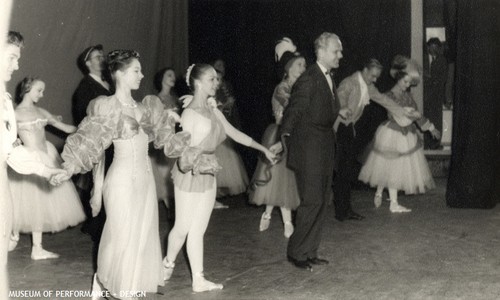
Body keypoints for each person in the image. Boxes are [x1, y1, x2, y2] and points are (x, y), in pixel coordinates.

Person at [52, 49, 187, 298]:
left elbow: (164, 140)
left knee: (141, 233)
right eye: (136, 70)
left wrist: (175, 121)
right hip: (121, 180)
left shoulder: (146, 107)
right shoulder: (106, 106)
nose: (142, 74)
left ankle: (129, 285)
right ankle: (106, 281)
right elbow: (89, 143)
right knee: (120, 235)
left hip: (145, 181)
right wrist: (69, 168)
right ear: (120, 74)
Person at [162, 63, 276, 292]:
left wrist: (263, 149)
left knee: (198, 230)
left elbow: (234, 133)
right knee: (182, 227)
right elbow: (182, 150)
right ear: (198, 83)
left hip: (209, 173)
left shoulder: (213, 109)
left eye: (216, 79)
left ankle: (198, 279)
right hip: (190, 175)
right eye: (212, 79)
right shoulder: (189, 114)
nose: (217, 83)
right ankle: (166, 265)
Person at [270, 32, 351, 271]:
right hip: (310, 149)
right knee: (312, 200)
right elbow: (293, 113)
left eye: (340, 51)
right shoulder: (309, 78)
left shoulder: (327, 77)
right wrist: (283, 141)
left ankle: (309, 251)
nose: (340, 55)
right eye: (336, 51)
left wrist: (339, 112)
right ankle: (297, 253)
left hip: (324, 144)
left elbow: (323, 108)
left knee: (322, 200)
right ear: (322, 52)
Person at [0, 30, 64, 299]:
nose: (17, 65)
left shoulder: (4, 100)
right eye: (12, 57)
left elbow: (10, 150)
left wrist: (46, 170)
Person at [8, 77, 85, 259]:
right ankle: (13, 235)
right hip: (29, 159)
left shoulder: (40, 111)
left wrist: (85, 128)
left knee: (39, 204)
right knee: (23, 203)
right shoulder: (14, 114)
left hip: (46, 156)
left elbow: (65, 128)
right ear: (27, 89)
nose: (42, 94)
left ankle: (37, 248)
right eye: (39, 90)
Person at [332, 59, 419, 221]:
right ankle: (341, 210)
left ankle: (344, 210)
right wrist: (342, 107)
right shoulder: (350, 82)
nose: (374, 80)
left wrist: (403, 112)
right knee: (342, 169)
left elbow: (384, 100)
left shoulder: (368, 87)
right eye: (373, 76)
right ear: (364, 70)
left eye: (377, 77)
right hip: (339, 128)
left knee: (345, 170)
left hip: (349, 128)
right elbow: (339, 97)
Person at [358, 57, 440, 213]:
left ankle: (380, 192)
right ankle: (393, 203)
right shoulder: (389, 95)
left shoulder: (408, 96)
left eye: (410, 83)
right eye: (405, 82)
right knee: (390, 166)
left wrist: (430, 127)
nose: (407, 85)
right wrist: (410, 114)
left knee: (388, 167)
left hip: (406, 132)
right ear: (399, 78)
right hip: (393, 133)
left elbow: (417, 116)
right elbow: (398, 115)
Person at [249, 48, 305, 238]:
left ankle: (268, 213)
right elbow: (294, 107)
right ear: (288, 68)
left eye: (304, 65)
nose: (303, 68)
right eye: (299, 65)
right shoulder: (282, 88)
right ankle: (286, 221)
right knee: (279, 177)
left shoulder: (298, 87)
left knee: (283, 180)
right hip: (279, 135)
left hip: (294, 136)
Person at [72, 44, 114, 244]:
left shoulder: (110, 83)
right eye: (97, 57)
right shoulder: (85, 87)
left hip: (114, 141)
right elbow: (84, 117)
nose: (102, 59)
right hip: (99, 143)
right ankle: (97, 225)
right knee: (100, 183)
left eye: (102, 55)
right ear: (87, 63)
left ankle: (106, 222)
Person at [143, 67, 180, 211]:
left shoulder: (176, 99)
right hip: (162, 141)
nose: (173, 77)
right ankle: (171, 209)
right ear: (161, 79)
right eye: (169, 75)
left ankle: (176, 209)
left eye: (173, 75)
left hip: (176, 140)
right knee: (165, 176)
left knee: (175, 176)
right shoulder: (156, 99)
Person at [213, 69, 249, 201]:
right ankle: (214, 193)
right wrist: (223, 106)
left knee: (226, 159)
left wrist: (227, 106)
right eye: (216, 78)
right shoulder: (209, 95)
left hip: (222, 130)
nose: (219, 82)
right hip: (213, 134)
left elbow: (225, 114)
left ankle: (218, 192)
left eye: (220, 79)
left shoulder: (222, 93)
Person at [424, 37, 448, 150]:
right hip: (425, 96)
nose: (432, 49)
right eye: (431, 47)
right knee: (426, 119)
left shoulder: (442, 60)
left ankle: (435, 144)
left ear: (438, 48)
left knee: (436, 119)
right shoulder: (423, 59)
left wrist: (429, 78)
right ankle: (426, 144)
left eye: (435, 47)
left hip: (436, 97)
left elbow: (441, 80)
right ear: (428, 47)